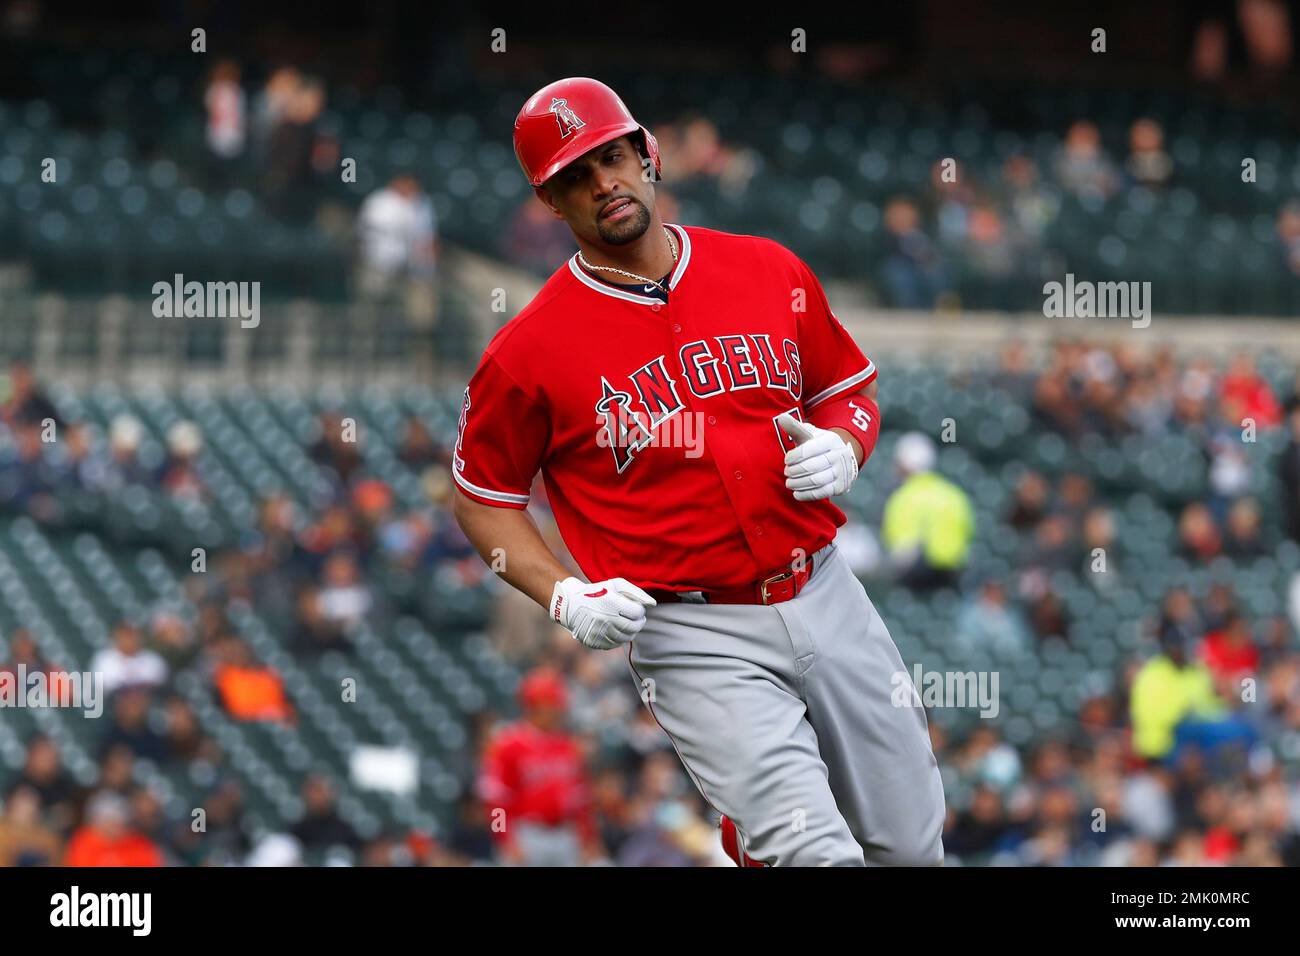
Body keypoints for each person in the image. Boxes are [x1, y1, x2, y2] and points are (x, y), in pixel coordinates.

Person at [452, 78, 944, 866]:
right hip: (693, 628)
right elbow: (483, 500)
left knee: (913, 850)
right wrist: (563, 592)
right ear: (550, 203)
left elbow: (848, 390)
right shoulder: (527, 351)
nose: (602, 183)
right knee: (817, 855)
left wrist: (848, 443)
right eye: (575, 176)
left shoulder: (765, 267)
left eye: (611, 157)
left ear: (647, 152)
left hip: (826, 586)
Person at [476, 667, 601, 866]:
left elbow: (581, 801)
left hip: (565, 835)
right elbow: (494, 801)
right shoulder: (508, 744)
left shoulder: (567, 745)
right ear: (535, 705)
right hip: (526, 834)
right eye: (553, 703)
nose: (559, 709)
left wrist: (588, 838)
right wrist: (504, 840)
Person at [881, 432, 975, 591]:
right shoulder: (954, 494)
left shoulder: (902, 496)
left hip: (918, 576)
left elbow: (898, 545)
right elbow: (969, 531)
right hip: (954, 574)